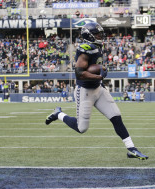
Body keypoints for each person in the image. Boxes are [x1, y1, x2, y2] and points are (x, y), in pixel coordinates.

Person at [45, 22, 148, 160]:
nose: (101, 35)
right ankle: (58, 114)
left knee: (116, 116)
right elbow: (80, 73)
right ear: (90, 35)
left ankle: (132, 149)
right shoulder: (85, 49)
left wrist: (100, 71)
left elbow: (93, 65)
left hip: (98, 88)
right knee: (81, 128)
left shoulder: (97, 46)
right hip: (85, 91)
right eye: (98, 33)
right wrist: (99, 75)